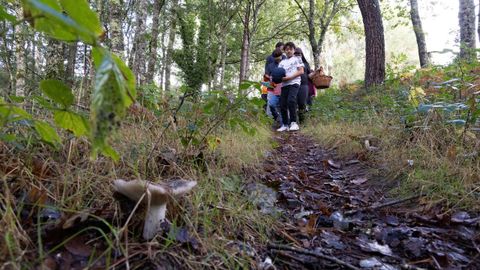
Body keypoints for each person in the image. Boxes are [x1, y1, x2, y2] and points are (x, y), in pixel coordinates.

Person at [277, 42, 304, 132]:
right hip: (284, 85)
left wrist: (289, 77)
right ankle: (285, 124)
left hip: (294, 83)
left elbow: (301, 71)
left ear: (294, 50)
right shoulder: (282, 62)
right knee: (282, 104)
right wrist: (280, 78)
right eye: (287, 49)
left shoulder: (298, 59)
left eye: (290, 49)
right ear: (284, 51)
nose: (288, 51)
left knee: (291, 100)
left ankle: (294, 123)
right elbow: (279, 75)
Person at [264, 48, 284, 127]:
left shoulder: (284, 63)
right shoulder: (270, 65)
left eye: (279, 56)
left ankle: (283, 124)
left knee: (282, 106)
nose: (277, 58)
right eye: (275, 57)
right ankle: (275, 118)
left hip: (283, 88)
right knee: (271, 104)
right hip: (272, 88)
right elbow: (266, 75)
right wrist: (268, 77)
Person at [294, 47, 312, 123]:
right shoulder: (291, 64)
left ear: (302, 55)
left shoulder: (305, 64)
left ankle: (302, 122)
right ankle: (293, 122)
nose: (298, 56)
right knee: (293, 103)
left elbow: (309, 75)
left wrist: (316, 73)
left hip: (304, 85)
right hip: (293, 85)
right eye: (296, 54)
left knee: (302, 103)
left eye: (299, 54)